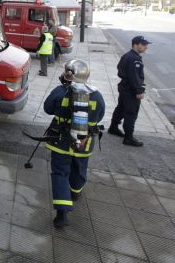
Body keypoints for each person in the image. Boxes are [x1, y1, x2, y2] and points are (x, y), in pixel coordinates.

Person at [44, 59, 105, 227]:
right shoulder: (97, 96)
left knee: (60, 172)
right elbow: (99, 116)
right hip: (84, 143)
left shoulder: (60, 91)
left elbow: (48, 108)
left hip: (61, 142)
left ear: (69, 75)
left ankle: (62, 213)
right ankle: (76, 192)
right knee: (80, 166)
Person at [108, 35, 150, 147]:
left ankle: (113, 127)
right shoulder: (134, 59)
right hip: (131, 90)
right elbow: (134, 77)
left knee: (121, 108)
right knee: (131, 113)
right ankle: (128, 137)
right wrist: (139, 91)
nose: (146, 47)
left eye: (146, 45)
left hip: (124, 88)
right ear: (135, 44)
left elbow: (119, 69)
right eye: (143, 44)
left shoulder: (127, 55)